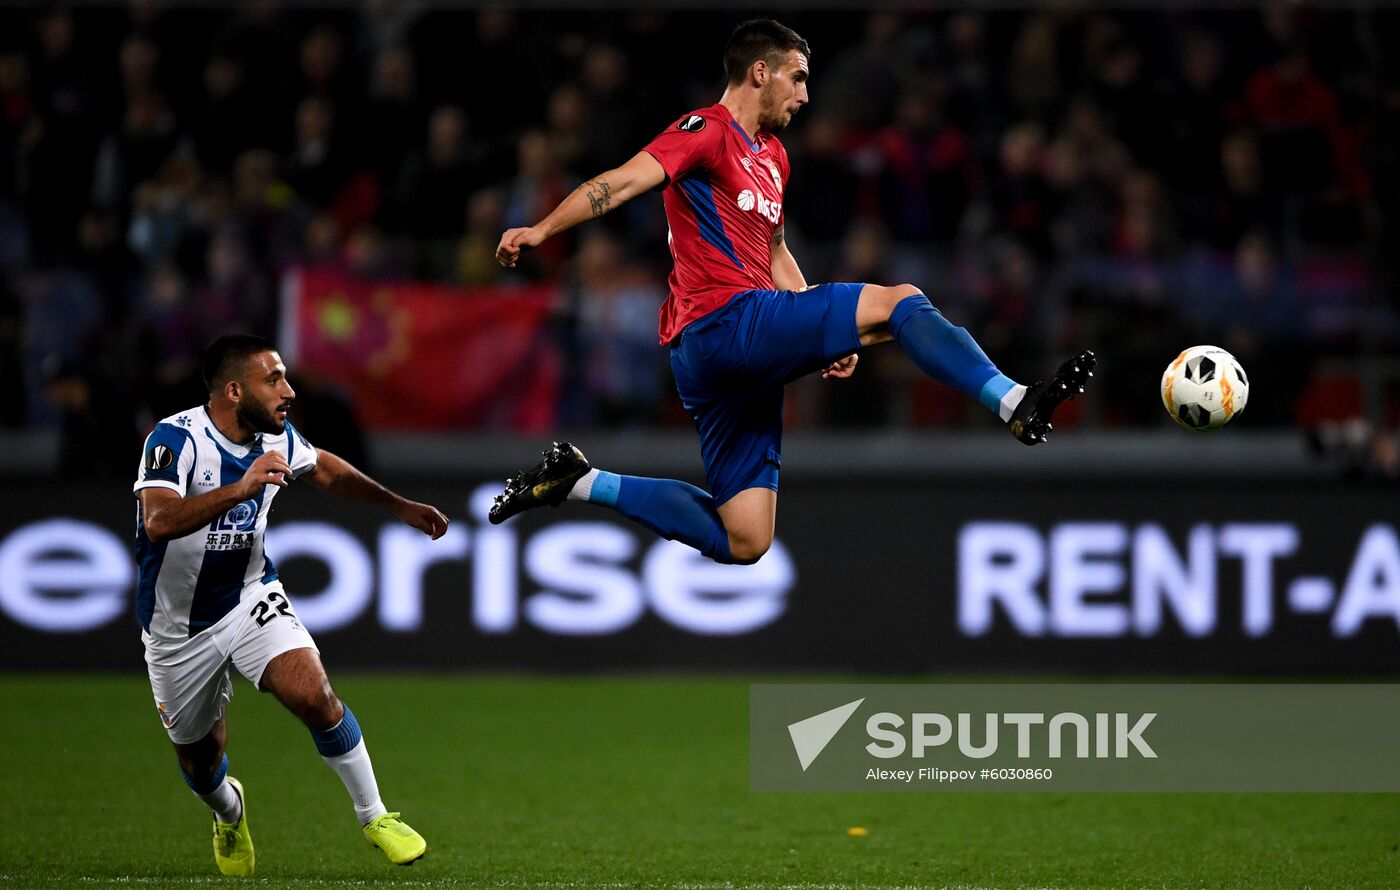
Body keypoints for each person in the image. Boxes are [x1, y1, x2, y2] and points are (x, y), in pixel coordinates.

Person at [491, 19, 1094, 566]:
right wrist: (542, 227)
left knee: (745, 538)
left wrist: (816, 320)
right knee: (901, 300)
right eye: (797, 78)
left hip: (724, 358)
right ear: (761, 72)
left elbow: (773, 252)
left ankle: (577, 480)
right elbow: (621, 183)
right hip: (725, 322)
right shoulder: (704, 132)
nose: (805, 95)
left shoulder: (774, 157)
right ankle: (1014, 401)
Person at [133, 334, 449, 875]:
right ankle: (229, 812)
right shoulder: (174, 440)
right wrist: (240, 489)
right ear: (234, 391)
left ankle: (375, 816)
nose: (290, 391)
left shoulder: (276, 440)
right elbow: (157, 522)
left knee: (315, 696)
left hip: (249, 595)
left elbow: (325, 469)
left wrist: (398, 506)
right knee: (200, 761)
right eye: (273, 379)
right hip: (176, 629)